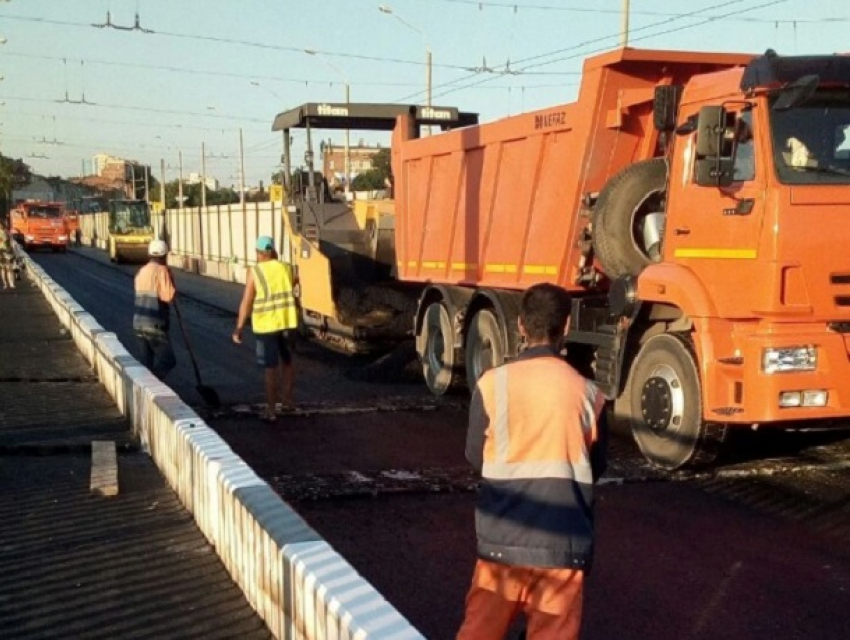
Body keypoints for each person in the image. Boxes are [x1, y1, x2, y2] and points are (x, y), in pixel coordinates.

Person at [457, 283, 607, 640]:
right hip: (563, 545)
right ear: (566, 326)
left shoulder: (492, 384)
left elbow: (474, 455)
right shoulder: (590, 394)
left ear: (521, 325)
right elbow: (596, 466)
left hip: (501, 541)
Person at [232, 235, 299, 422]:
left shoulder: (255, 272)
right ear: (273, 251)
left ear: (258, 253)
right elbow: (293, 287)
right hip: (287, 322)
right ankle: (287, 401)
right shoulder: (288, 268)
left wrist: (239, 327)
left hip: (266, 325)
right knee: (288, 361)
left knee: (270, 367)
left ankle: (271, 410)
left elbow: (247, 301)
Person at [133, 239, 177, 379]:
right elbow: (168, 296)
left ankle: (145, 389)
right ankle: (153, 382)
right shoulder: (162, 270)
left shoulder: (142, 271)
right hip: (154, 324)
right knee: (168, 360)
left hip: (138, 323)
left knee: (147, 363)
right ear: (164, 255)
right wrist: (171, 279)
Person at [0, 221, 16, 290]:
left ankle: (11, 283)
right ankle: (5, 284)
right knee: (3, 268)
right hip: (1, 251)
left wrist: (13, 249)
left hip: (8, 251)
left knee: (9, 268)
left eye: (1, 224)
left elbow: (12, 241)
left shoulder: (7, 232)